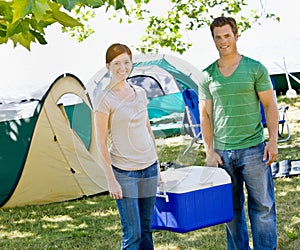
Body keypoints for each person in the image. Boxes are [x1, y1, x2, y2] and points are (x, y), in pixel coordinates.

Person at [198, 17, 278, 250]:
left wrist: (272, 141)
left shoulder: (255, 68)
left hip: (254, 149)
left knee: (262, 207)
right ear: (213, 40)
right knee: (230, 211)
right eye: (218, 37)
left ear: (236, 35)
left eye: (227, 36)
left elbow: (270, 106)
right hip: (223, 153)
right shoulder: (207, 75)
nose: (223, 41)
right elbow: (205, 115)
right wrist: (209, 151)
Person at [94, 43, 161, 250]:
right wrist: (111, 180)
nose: (122, 68)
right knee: (132, 234)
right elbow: (101, 142)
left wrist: (157, 167)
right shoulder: (104, 99)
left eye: (126, 62)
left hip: (149, 167)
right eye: (117, 63)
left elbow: (148, 130)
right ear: (108, 66)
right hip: (125, 174)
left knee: (147, 228)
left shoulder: (140, 92)